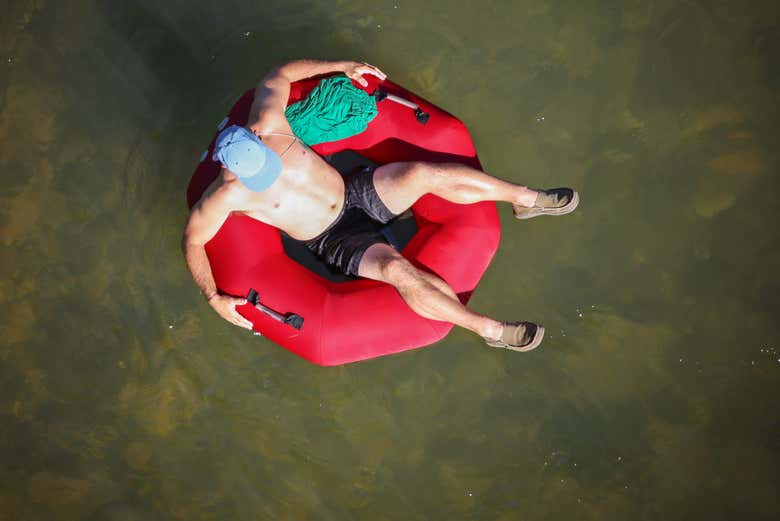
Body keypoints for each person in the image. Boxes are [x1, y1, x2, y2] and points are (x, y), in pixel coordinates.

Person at [182, 59, 579, 352]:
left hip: (356, 192)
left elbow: (278, 74)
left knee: (421, 172)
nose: (274, 168)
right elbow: (194, 242)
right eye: (265, 175)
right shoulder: (226, 194)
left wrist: (343, 66)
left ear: (257, 137)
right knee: (395, 269)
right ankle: (489, 330)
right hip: (331, 237)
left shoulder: (269, 122)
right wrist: (213, 297)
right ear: (235, 175)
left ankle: (524, 199)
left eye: (270, 158)